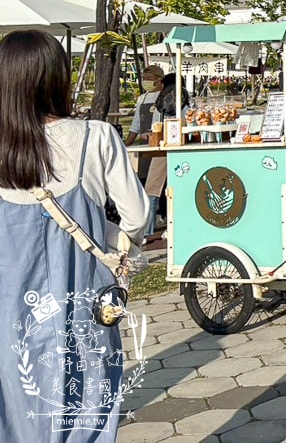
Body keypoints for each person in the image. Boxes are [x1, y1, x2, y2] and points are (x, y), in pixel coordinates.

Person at [0, 30, 149, 442]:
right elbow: (137, 216)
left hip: (9, 315)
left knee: (17, 415)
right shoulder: (96, 137)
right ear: (58, 77)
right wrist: (116, 241)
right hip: (85, 304)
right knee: (88, 407)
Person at [126, 65, 167, 239]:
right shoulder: (141, 99)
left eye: (149, 78)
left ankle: (149, 231)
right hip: (143, 149)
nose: (146, 81)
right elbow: (136, 124)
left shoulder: (166, 97)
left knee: (153, 188)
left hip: (159, 148)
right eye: (144, 77)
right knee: (141, 186)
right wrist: (126, 144)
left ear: (159, 79)